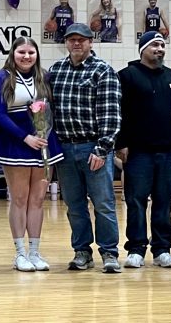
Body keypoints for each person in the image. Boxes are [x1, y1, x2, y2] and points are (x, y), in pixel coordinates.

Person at [48, 23, 122, 273]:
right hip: (65, 149)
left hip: (94, 147)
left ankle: (109, 252)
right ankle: (82, 251)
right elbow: (47, 110)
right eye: (72, 39)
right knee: (74, 204)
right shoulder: (55, 71)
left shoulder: (103, 71)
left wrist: (102, 149)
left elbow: (111, 115)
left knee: (103, 203)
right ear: (66, 43)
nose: (76, 43)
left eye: (82, 39)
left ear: (91, 42)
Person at [0, 37, 63, 272]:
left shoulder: (44, 76)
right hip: (16, 145)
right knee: (19, 199)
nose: (26, 56)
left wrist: (41, 134)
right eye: (22, 52)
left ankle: (35, 252)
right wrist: (25, 137)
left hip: (43, 143)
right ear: (13, 53)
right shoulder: (1, 78)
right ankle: (19, 253)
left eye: (31, 52)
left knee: (38, 200)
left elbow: (51, 109)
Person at [117, 31, 171, 269]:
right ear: (142, 49)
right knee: (136, 201)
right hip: (138, 152)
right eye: (154, 44)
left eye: (162, 45)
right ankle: (135, 249)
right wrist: (120, 143)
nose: (160, 49)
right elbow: (118, 111)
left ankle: (162, 249)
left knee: (164, 201)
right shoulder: (127, 75)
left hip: (166, 151)